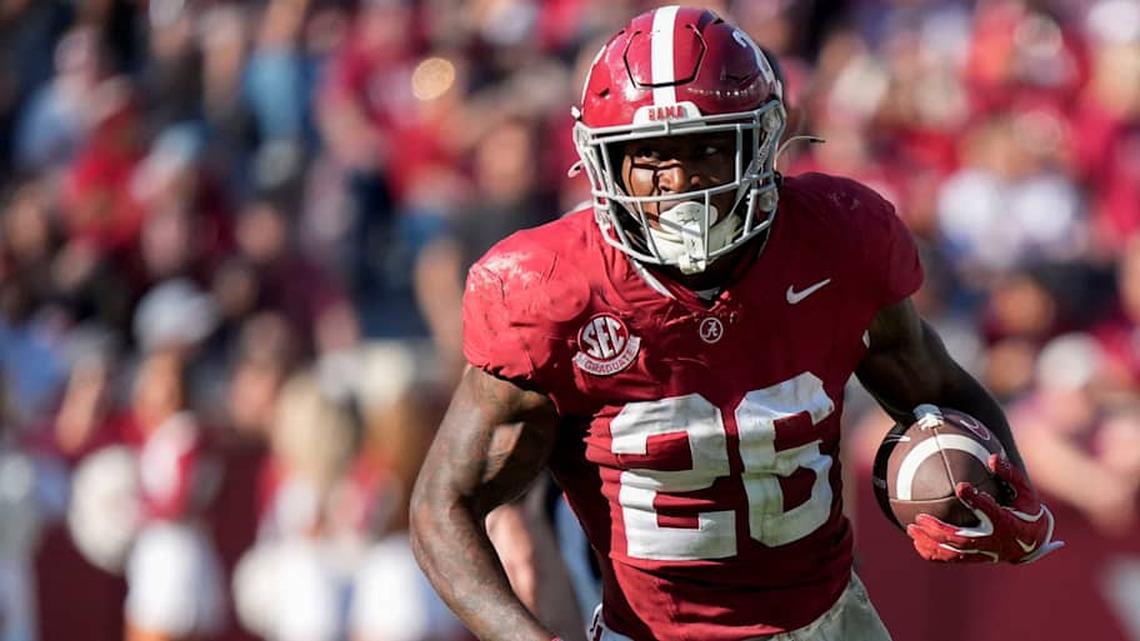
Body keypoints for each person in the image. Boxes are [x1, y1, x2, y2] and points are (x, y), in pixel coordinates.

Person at [409, 7, 1064, 641]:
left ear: (761, 140)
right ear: (602, 163)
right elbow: (443, 504)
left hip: (831, 622)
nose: (680, 183)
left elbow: (938, 385)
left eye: (705, 150)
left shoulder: (838, 240)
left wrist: (1007, 486)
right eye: (651, 156)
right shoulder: (551, 289)